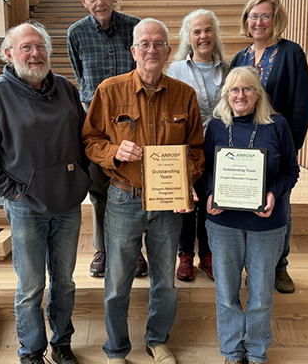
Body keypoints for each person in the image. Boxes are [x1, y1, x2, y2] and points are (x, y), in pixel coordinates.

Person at [0, 21, 92, 364]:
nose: (35, 54)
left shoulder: (65, 88)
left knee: (64, 282)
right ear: (9, 54)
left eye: (40, 47)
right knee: (31, 287)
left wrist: (81, 179)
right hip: (26, 208)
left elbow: (85, 140)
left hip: (67, 204)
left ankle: (61, 344)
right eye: (26, 48)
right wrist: (14, 193)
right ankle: (31, 350)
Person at [82, 18, 205, 364]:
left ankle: (157, 340)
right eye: (145, 44)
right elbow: (89, 140)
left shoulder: (185, 95)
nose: (152, 49)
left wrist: (186, 180)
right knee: (118, 282)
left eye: (159, 44)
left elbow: (196, 149)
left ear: (168, 51)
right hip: (124, 198)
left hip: (169, 205)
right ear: (133, 50)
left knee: (164, 281)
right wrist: (113, 152)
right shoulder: (109, 91)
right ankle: (116, 349)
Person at [204, 66, 300, 364]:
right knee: (226, 294)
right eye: (234, 89)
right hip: (223, 223)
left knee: (260, 294)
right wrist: (210, 193)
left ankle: (257, 353)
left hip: (266, 223)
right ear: (226, 94)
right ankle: (232, 353)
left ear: (258, 94)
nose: (240, 95)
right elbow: (206, 170)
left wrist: (273, 192)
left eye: (247, 89)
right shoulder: (217, 125)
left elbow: (291, 171)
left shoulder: (276, 125)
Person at [230, 0, 308, 294]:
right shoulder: (240, 58)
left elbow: (303, 106)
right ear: (246, 20)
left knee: (280, 207)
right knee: (245, 207)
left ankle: (279, 267)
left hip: (277, 150)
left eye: (265, 15)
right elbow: (231, 104)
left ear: (276, 19)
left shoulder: (291, 54)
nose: (259, 22)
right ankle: (250, 264)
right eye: (254, 15)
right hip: (242, 154)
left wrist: (288, 149)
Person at [67, 0, 147, 278]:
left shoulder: (133, 26)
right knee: (99, 187)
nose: (99, 2)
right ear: (83, 1)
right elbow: (81, 77)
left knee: (133, 185)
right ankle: (102, 248)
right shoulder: (75, 33)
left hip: (132, 122)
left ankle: (134, 249)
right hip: (96, 124)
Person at [167, 8, 228, 282]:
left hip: (221, 149)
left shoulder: (229, 69)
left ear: (214, 34)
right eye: (196, 31)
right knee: (185, 203)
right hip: (186, 147)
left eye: (207, 30)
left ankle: (207, 254)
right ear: (187, 38)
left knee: (210, 201)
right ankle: (184, 255)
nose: (203, 36)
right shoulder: (175, 70)